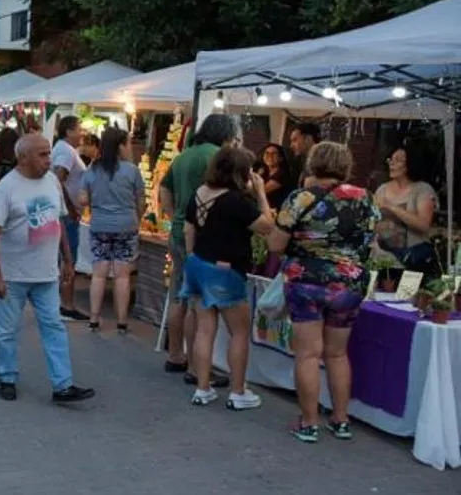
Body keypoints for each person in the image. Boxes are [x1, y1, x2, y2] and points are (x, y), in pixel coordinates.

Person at [268, 142, 380, 442]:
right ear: (345, 166)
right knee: (338, 353)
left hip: (306, 281)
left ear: (313, 163)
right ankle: (341, 420)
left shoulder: (301, 198)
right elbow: (370, 241)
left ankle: (308, 423)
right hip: (349, 284)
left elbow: (275, 245)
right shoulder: (365, 199)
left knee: (308, 354)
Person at [0, 133, 95, 404]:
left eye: (49, 153)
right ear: (23, 158)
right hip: (14, 274)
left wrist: (69, 261)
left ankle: (63, 385)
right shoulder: (8, 187)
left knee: (54, 326)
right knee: (7, 330)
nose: (49, 159)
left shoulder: (51, 182)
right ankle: (7, 376)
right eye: (42, 154)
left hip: (46, 273)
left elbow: (57, 223)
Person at [183, 147, 274, 409]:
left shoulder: (199, 193)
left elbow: (189, 228)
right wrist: (261, 193)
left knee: (204, 329)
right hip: (227, 270)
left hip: (199, 264)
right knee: (239, 332)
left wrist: (193, 257)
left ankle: (202, 388)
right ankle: (237, 391)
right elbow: (267, 226)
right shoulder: (236, 201)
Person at [158, 113, 238, 387]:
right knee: (198, 304)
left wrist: (173, 215)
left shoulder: (184, 155)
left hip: (179, 231)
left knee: (178, 295)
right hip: (203, 237)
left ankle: (175, 355)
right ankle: (196, 366)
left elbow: (164, 189)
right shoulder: (218, 157)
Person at [78, 128, 145, 334]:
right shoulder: (132, 171)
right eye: (127, 143)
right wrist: (137, 217)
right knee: (122, 276)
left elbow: (82, 200)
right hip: (126, 225)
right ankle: (122, 322)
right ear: (120, 146)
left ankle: (94, 319)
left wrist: (95, 202)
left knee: (99, 274)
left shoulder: (92, 170)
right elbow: (140, 201)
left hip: (99, 225)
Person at [373, 145, 439, 278]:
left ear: (410, 164)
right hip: (382, 260)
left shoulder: (423, 190)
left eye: (398, 160)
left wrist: (391, 206)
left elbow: (423, 224)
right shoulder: (382, 189)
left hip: (411, 261)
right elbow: (373, 220)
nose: (391, 163)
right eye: (390, 159)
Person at [50, 116, 90, 322]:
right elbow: (58, 179)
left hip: (66, 212)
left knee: (64, 257)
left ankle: (61, 301)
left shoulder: (64, 149)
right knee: (68, 258)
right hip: (67, 214)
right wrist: (70, 207)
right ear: (68, 131)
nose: (82, 133)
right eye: (79, 129)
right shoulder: (66, 151)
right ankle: (66, 304)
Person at [258, 143, 295, 208]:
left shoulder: (283, 174)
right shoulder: (263, 171)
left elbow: (262, 191)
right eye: (266, 153)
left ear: (281, 158)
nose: (270, 155)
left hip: (277, 211)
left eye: (274, 153)